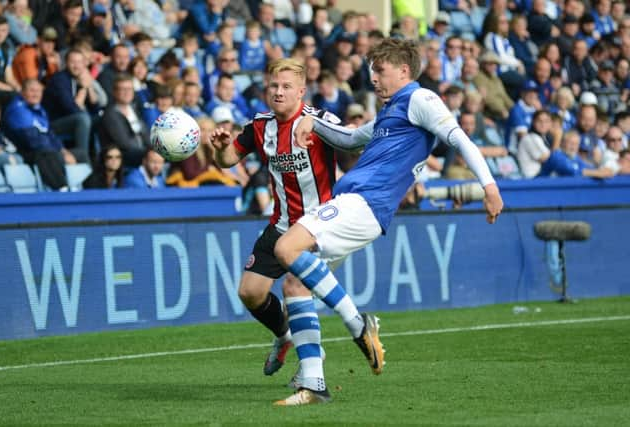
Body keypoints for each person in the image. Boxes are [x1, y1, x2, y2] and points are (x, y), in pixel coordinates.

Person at [272, 38, 503, 405]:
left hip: (364, 203)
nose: (373, 79)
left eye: (380, 71)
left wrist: (488, 186)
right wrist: (310, 123)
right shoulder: (391, 112)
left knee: (285, 246)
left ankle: (358, 324)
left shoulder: (420, 99)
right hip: (358, 205)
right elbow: (350, 139)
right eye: (372, 72)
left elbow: (460, 139)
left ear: (404, 71)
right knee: (295, 286)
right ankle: (313, 384)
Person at [208, 58, 342, 399]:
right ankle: (285, 336)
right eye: (273, 86)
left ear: (301, 91)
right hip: (281, 223)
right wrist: (221, 147)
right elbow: (227, 161)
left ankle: (313, 375)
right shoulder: (259, 126)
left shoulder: (322, 122)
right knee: (249, 293)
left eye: (285, 87)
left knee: (295, 285)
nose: (278, 92)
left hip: (316, 228)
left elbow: (354, 146)